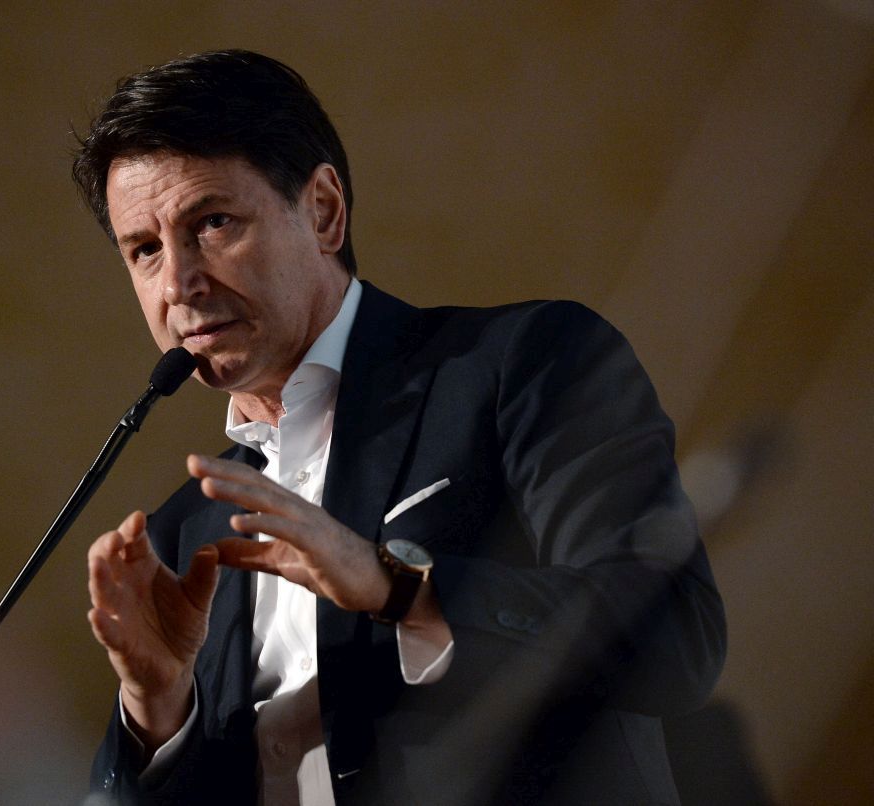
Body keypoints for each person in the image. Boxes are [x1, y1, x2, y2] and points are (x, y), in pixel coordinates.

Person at [73, 49, 726, 805]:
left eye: (212, 223)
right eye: (145, 250)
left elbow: (675, 636)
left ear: (323, 211)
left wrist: (399, 587)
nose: (178, 284)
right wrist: (157, 711)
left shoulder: (521, 365)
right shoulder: (183, 535)